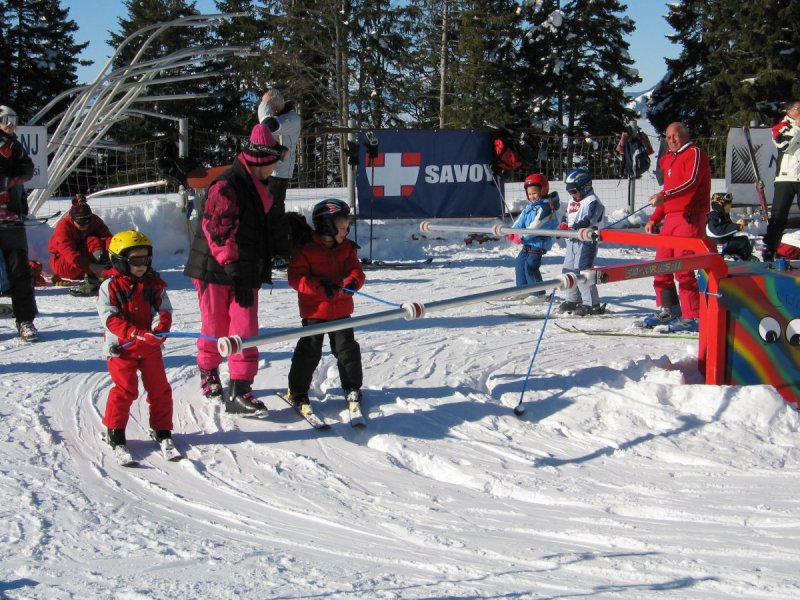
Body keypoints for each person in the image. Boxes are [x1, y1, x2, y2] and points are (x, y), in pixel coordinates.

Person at [183, 123, 288, 415]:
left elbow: (263, 227)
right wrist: (234, 268)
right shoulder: (226, 185)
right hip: (215, 268)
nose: (275, 168)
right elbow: (218, 231)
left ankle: (240, 389)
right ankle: (208, 370)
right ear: (261, 160)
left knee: (245, 329)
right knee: (216, 326)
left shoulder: (261, 186)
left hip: (244, 269)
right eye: (273, 162)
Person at [97, 230, 178, 464]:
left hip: (148, 345)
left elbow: (164, 310)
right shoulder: (110, 287)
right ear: (120, 261)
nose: (142, 265)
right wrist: (134, 333)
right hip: (122, 347)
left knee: (160, 389)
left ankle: (162, 430)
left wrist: (161, 330)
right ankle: (115, 433)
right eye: (136, 260)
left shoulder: (154, 284)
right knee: (126, 390)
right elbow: (110, 318)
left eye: (145, 259)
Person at [286, 199, 366, 412]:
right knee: (309, 351)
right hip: (315, 311)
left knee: (347, 350)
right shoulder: (306, 248)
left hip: (341, 310)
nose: (346, 232)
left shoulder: (347, 248)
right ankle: (297, 390)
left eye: (347, 227)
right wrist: (320, 287)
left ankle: (352, 388)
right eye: (341, 228)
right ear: (326, 226)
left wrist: (352, 282)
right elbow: (296, 278)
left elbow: (355, 270)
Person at [642, 122, 711, 333]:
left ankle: (693, 315)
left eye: (676, 135)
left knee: (683, 268)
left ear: (686, 135)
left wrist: (664, 195)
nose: (672, 140)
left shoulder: (694, 153)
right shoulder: (669, 158)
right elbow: (669, 192)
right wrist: (655, 218)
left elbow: (690, 183)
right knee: (661, 265)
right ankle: (670, 308)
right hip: (671, 219)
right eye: (668, 137)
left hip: (690, 217)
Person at [0, 104, 37, 342]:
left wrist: (15, 178)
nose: (11, 125)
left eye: (13, 120)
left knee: (19, 271)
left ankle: (25, 320)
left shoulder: (12, 145)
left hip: (10, 217)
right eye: (6, 120)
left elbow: (28, 167)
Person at [257, 88, 301, 265]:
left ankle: (283, 252)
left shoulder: (291, 119)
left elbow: (266, 125)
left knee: (275, 212)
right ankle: (269, 250)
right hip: (266, 170)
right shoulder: (281, 117)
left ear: (273, 107)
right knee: (264, 212)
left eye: (267, 105)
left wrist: (264, 104)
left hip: (279, 173)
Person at [558, 168, 605, 316]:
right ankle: (573, 299)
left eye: (574, 191)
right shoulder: (573, 200)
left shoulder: (592, 201)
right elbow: (567, 215)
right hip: (572, 240)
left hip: (586, 241)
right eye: (569, 191)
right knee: (568, 270)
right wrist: (563, 224)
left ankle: (591, 304)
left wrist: (575, 227)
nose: (571, 195)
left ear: (585, 187)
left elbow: (589, 219)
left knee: (583, 271)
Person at [48, 194, 113, 296]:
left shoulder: (95, 220)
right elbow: (68, 253)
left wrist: (113, 255)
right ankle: (97, 272)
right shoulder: (63, 227)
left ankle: (103, 265)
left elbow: (107, 237)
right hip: (66, 264)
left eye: (88, 221)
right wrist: (90, 266)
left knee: (93, 240)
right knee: (91, 243)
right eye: (81, 223)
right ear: (73, 219)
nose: (86, 225)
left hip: (84, 262)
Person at [510, 174, 559, 304]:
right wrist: (512, 231)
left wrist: (521, 236)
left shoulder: (546, 208)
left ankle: (538, 294)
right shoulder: (530, 207)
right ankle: (523, 290)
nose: (532, 196)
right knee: (519, 264)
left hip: (539, 243)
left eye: (535, 193)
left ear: (543, 190)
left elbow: (535, 227)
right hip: (528, 242)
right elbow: (520, 221)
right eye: (529, 194)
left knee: (530, 266)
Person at [763, 100, 800, 261]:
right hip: (786, 177)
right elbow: (783, 145)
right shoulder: (781, 126)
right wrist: (797, 128)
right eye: (799, 109)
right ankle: (770, 249)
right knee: (779, 215)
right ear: (789, 111)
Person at [705, 192, 753, 261]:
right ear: (719, 205)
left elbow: (727, 228)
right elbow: (718, 231)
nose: (730, 207)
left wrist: (737, 226)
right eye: (727, 205)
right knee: (743, 242)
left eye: (730, 205)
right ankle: (748, 261)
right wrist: (736, 227)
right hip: (718, 245)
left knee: (744, 241)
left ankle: (739, 259)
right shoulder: (714, 216)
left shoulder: (723, 216)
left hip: (723, 242)